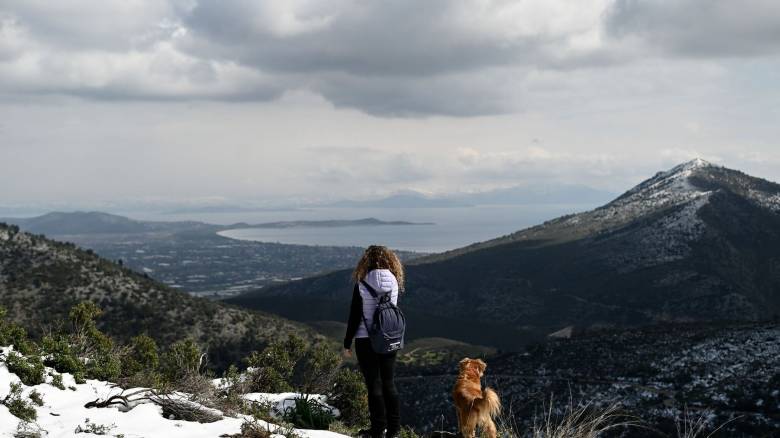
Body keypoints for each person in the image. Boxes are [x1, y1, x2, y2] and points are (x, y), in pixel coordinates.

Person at [343, 245, 404, 438]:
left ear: (366, 261)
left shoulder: (362, 282)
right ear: (390, 260)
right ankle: (394, 430)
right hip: (389, 337)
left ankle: (378, 429)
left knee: (374, 385)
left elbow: (354, 315)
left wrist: (347, 342)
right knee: (389, 383)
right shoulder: (394, 281)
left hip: (365, 338)